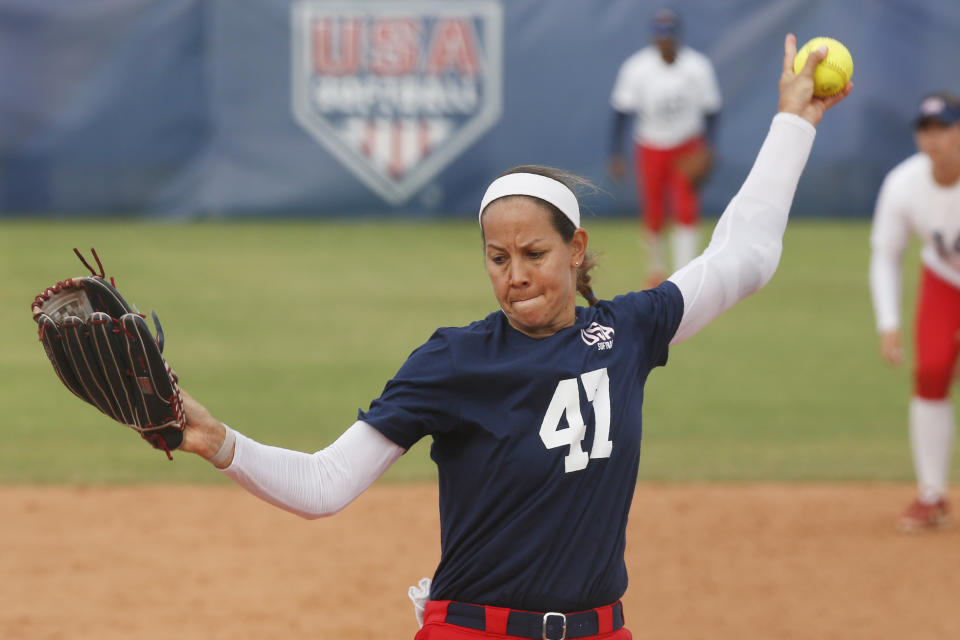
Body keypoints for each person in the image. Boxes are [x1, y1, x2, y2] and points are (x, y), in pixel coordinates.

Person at [178, 35, 849, 640]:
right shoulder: (456, 359)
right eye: (498, 258)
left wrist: (794, 120)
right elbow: (326, 484)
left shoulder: (629, 332)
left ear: (576, 249)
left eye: (534, 253)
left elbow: (746, 258)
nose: (516, 275)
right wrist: (217, 441)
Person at [869, 91, 960, 533]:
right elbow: (886, 255)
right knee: (931, 373)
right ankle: (931, 494)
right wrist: (889, 323)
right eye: (926, 130)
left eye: (944, 127)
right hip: (945, 280)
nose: (934, 138)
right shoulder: (904, 183)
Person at [608, 8, 722, 288]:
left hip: (687, 144)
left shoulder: (697, 67)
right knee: (654, 210)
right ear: (653, 38)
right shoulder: (637, 68)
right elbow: (621, 112)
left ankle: (686, 273)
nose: (665, 41)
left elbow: (712, 111)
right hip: (651, 144)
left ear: (677, 36)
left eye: (669, 35)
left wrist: (708, 149)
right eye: (660, 35)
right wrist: (616, 153)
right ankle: (656, 271)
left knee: (685, 208)